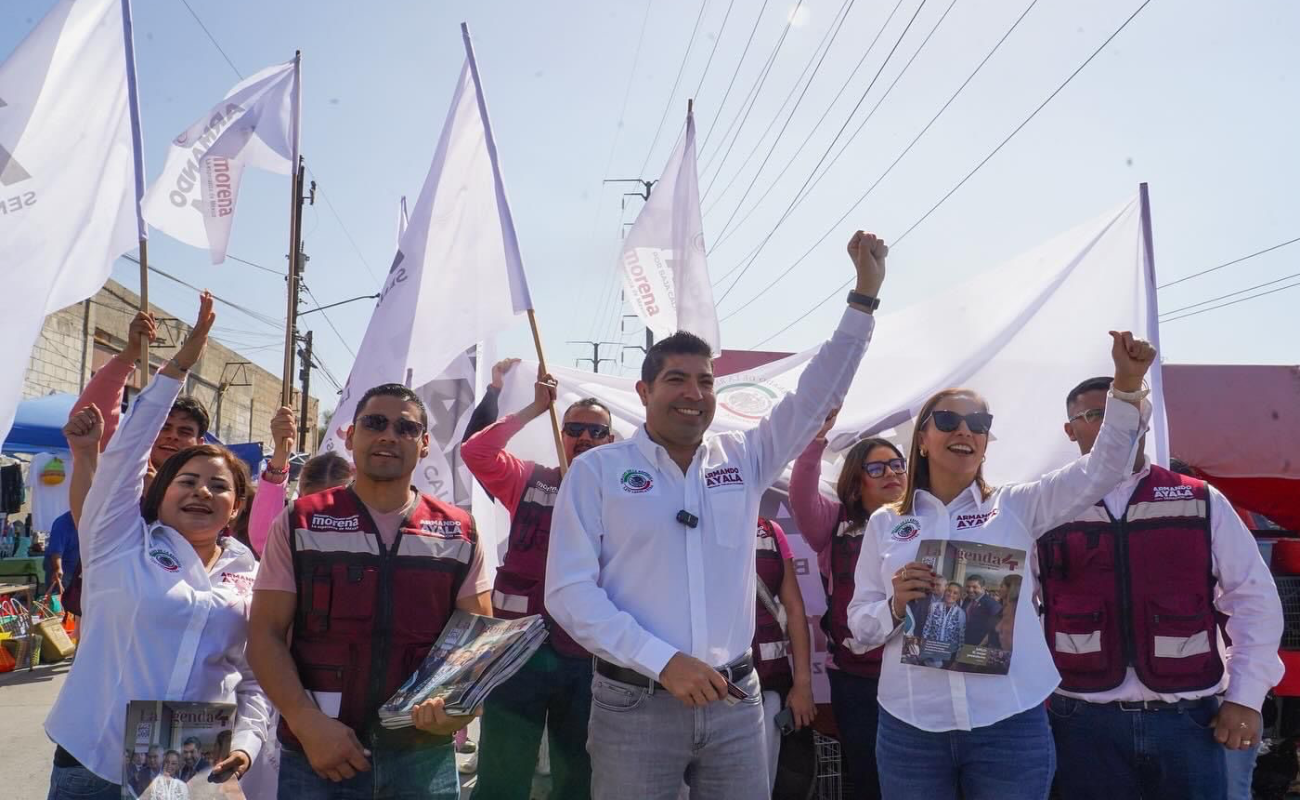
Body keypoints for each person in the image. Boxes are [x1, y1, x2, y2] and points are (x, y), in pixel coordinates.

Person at [546, 230, 890, 799]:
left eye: (705, 381)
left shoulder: (746, 458)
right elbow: (568, 592)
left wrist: (863, 300)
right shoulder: (598, 472)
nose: (694, 393)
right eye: (676, 379)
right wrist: (662, 662)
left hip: (736, 702)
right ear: (645, 390)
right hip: (635, 703)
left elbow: (814, 395)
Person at [846, 330, 1157, 800]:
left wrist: (1127, 386)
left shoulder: (1017, 506)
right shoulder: (885, 525)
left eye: (978, 422)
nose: (964, 430)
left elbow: (1104, 468)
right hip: (911, 728)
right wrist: (893, 607)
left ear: (987, 442)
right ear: (923, 440)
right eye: (948, 419)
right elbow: (859, 626)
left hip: (1008, 725)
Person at [44, 293, 269, 800]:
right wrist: (181, 363)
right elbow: (125, 454)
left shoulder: (248, 570)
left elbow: (257, 671)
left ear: (236, 508)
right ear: (159, 493)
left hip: (190, 769)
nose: (202, 492)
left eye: (219, 486)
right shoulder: (118, 542)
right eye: (186, 481)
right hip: (93, 762)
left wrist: (249, 741)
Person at [1039, 376, 1284, 800]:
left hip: (1189, 722)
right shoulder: (1045, 504)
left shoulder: (1200, 499)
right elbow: (1019, 608)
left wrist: (1245, 698)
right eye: (1097, 414)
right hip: (1081, 723)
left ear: (1146, 422)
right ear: (1070, 429)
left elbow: (1254, 601)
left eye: (1127, 412)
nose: (1116, 424)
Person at [247, 382, 492, 799]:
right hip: (319, 755)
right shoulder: (300, 520)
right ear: (350, 435)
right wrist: (307, 723)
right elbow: (264, 635)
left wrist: (459, 706)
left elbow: (478, 644)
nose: (389, 435)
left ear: (426, 443)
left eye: (406, 428)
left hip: (422, 755)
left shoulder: (459, 530)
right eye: (375, 423)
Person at [460, 366, 617, 800]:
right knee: (502, 773)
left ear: (610, 440)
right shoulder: (529, 478)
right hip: (517, 653)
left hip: (586, 656)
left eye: (596, 431)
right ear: (560, 432)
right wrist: (533, 408)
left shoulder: (623, 495)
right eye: (574, 428)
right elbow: (476, 451)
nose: (584, 436)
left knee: (576, 775)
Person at [58, 309, 211, 618]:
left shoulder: (209, 494)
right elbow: (89, 416)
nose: (171, 437)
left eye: (184, 432)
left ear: (200, 444)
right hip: (114, 613)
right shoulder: (121, 477)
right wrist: (129, 355)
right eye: (163, 427)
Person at [789, 423, 906, 800]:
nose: (891, 473)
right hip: (858, 682)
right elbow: (802, 489)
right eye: (877, 468)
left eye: (897, 465)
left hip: (917, 676)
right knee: (870, 780)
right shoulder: (833, 525)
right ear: (856, 484)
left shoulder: (929, 519)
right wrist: (816, 436)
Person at [751, 517, 815, 791]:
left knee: (770, 783)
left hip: (769, 686)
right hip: (704, 687)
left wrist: (802, 684)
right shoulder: (682, 523)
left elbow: (794, 608)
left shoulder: (770, 531)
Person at [920, 583, 966, 667]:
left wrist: (957, 661)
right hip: (931, 650)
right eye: (949, 591)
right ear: (945, 591)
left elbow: (961, 638)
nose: (951, 594)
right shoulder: (933, 606)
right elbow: (927, 628)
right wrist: (922, 648)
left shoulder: (961, 613)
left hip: (948, 654)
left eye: (955, 593)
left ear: (959, 596)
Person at [959, 574, 1001, 646]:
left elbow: (996, 628)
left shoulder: (992, 604)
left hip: (980, 646)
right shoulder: (967, 600)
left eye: (974, 587)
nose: (970, 590)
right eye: (968, 586)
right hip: (964, 642)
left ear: (983, 588)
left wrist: (981, 646)